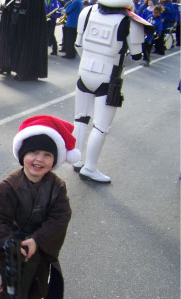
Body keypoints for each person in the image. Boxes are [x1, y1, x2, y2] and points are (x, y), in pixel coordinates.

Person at [0, 115, 79, 299]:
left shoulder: (57, 187)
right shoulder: (8, 186)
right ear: (23, 155)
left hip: (38, 249)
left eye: (47, 155)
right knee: (15, 294)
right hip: (13, 252)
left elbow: (60, 217)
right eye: (34, 152)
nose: (39, 159)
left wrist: (37, 240)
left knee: (35, 292)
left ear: (54, 160)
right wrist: (10, 243)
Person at [72, 0, 149, 182]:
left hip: (84, 73)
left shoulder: (87, 12)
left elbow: (78, 44)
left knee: (80, 118)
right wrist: (116, 65)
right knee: (101, 126)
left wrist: (90, 59)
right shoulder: (130, 21)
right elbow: (137, 56)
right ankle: (90, 167)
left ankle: (76, 159)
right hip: (108, 77)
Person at [0, 0, 48, 80]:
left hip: (27, 15)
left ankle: (26, 72)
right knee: (9, 38)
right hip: (13, 10)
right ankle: (5, 65)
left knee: (23, 42)